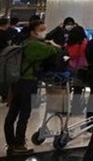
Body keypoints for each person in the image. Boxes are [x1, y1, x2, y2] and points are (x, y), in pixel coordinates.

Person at [4, 18, 61, 156]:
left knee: (12, 112)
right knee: (24, 114)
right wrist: (53, 44)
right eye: (41, 30)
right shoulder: (36, 46)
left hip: (17, 82)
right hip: (28, 82)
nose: (44, 32)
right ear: (33, 33)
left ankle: (11, 143)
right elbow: (56, 51)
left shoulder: (24, 43)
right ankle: (19, 144)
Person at [66, 25, 88, 115]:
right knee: (78, 90)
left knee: (70, 89)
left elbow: (68, 55)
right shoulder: (84, 43)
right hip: (81, 68)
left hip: (70, 68)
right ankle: (76, 108)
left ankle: (67, 106)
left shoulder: (69, 43)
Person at [0, 17, 11, 103]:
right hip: (4, 55)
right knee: (3, 76)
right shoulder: (6, 33)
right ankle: (4, 96)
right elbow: (9, 44)